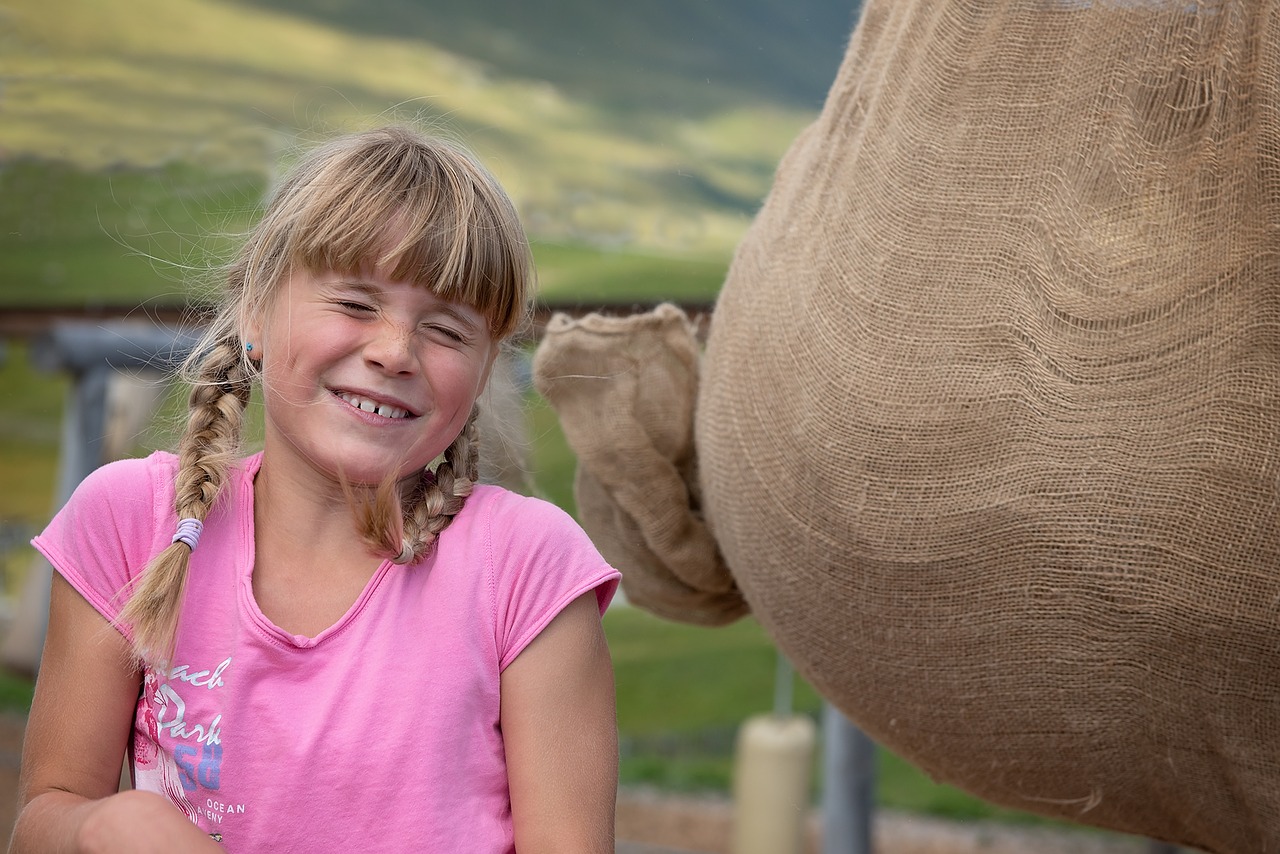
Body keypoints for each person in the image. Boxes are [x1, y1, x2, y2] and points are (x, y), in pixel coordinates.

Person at [9, 126, 622, 854]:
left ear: (486, 369)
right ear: (255, 315)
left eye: (447, 331)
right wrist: (107, 826)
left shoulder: (529, 567)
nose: (394, 352)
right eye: (357, 305)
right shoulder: (129, 522)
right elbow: (45, 814)